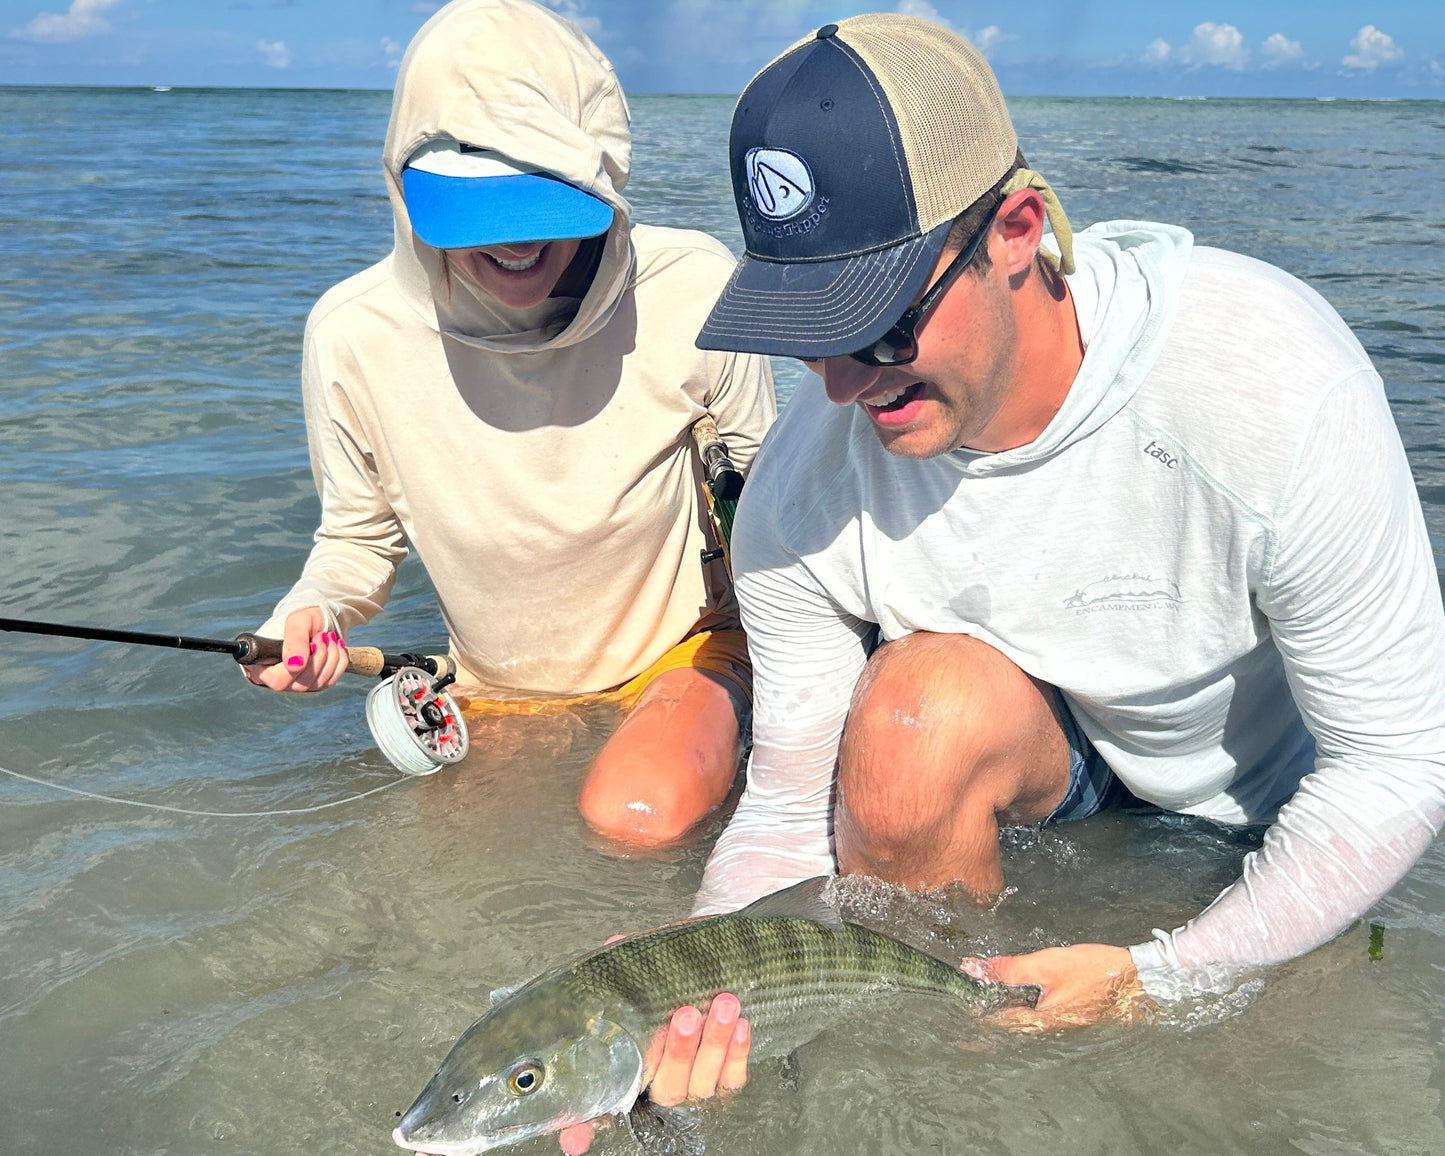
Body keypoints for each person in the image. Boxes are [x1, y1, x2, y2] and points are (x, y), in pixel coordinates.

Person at [678, 11, 1445, 1028]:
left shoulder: (1271, 380)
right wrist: (699, 1002)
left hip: (1262, 797)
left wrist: (1158, 976)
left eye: (875, 324)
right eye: (801, 332)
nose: (836, 384)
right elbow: (781, 811)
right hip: (1061, 753)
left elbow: (1394, 764)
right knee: (913, 723)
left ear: (1018, 229)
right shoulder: (800, 487)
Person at [246, 0, 775, 853]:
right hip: (495, 688)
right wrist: (311, 610)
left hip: (684, 652)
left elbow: (772, 504)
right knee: (440, 884)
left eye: (541, 202)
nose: (518, 243)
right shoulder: (350, 332)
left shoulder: (691, 284)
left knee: (636, 815)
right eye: (476, 211)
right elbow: (357, 538)